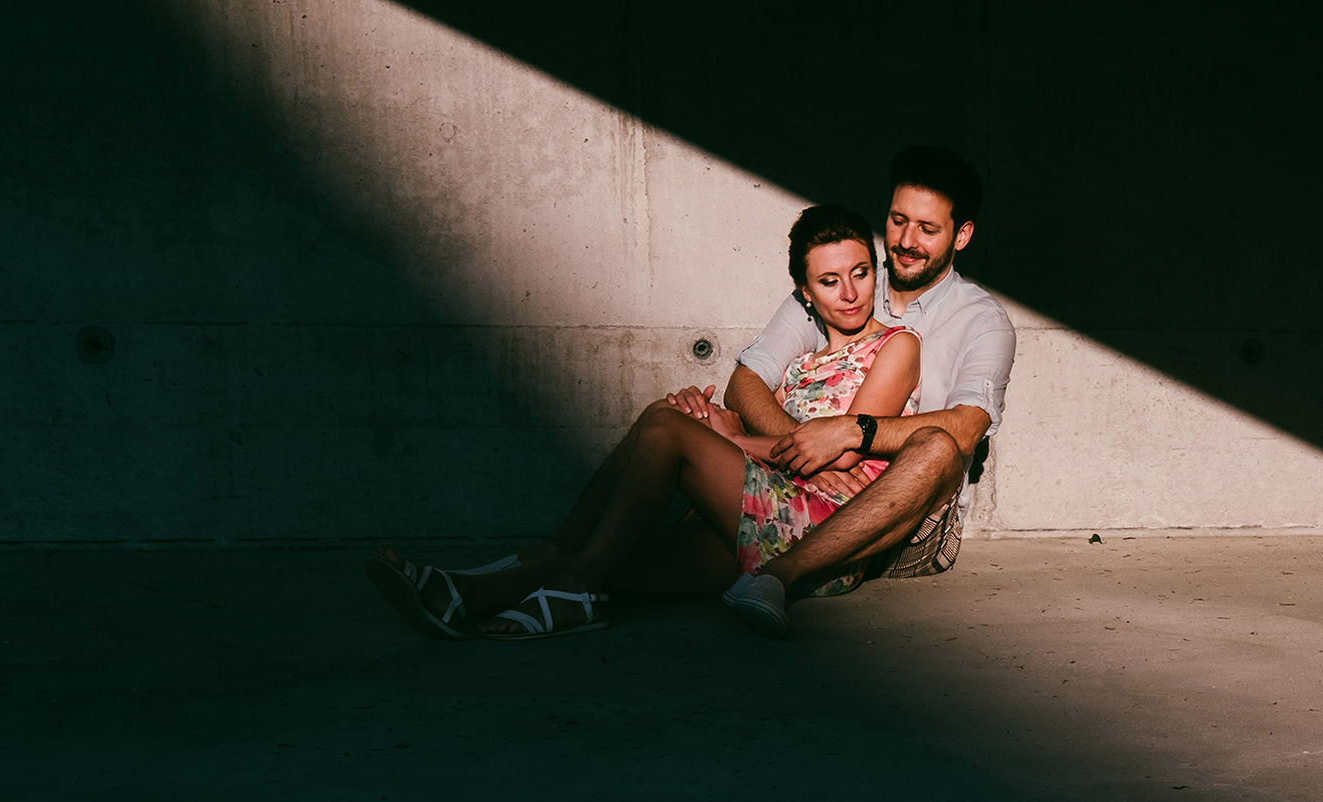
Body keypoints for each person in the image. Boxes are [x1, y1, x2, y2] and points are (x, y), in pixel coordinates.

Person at [366, 203, 922, 640]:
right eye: (829, 281)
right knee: (622, 546)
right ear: (805, 292)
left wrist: (725, 435)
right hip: (773, 508)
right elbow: (772, 438)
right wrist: (709, 417)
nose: (850, 293)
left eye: (860, 273)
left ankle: (569, 579)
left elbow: (843, 448)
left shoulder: (897, 346)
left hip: (825, 529)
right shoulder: (802, 363)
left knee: (664, 428)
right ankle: (459, 590)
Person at [687, 145, 1017, 636]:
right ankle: (570, 578)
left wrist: (849, 433)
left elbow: (967, 428)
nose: (906, 241)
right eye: (898, 221)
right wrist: (810, 457)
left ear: (961, 235)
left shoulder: (983, 322)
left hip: (907, 522)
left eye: (927, 229)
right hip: (804, 487)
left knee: (940, 448)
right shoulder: (845, 275)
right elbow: (747, 381)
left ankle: (780, 576)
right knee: (679, 430)